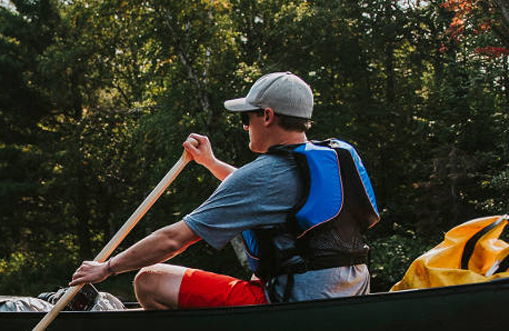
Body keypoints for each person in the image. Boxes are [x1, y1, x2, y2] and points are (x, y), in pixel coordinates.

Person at [70, 71, 379, 309]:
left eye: (247, 117)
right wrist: (210, 163)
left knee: (149, 280)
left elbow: (174, 239)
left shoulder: (264, 175)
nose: (245, 126)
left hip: (291, 303)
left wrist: (107, 268)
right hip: (349, 293)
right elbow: (262, 192)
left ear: (267, 116)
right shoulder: (332, 159)